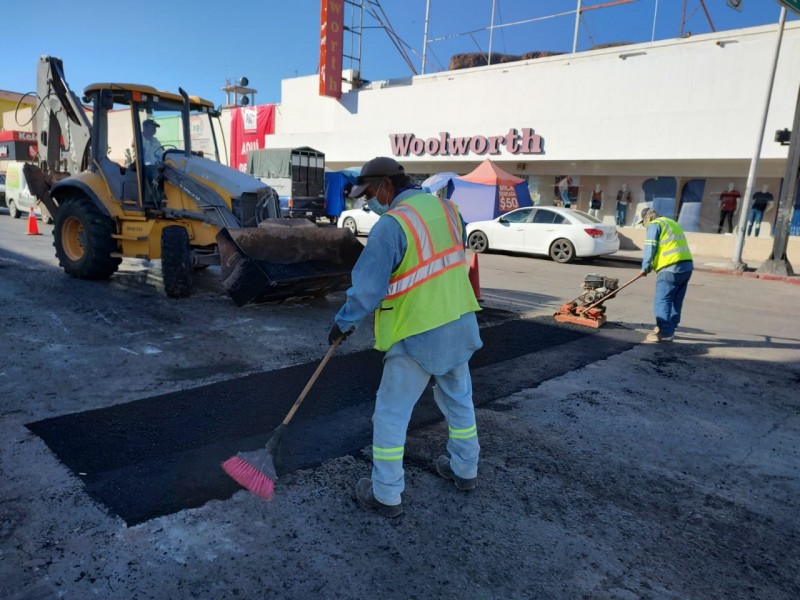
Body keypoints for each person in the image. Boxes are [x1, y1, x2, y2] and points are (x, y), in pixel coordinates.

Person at [329, 156, 483, 517]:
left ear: (386, 185)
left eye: (370, 194)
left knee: (391, 414)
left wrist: (343, 322)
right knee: (459, 401)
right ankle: (465, 470)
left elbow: (367, 289)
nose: (370, 202)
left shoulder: (391, 226)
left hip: (417, 331)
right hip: (458, 320)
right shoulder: (448, 211)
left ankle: (385, 493)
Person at [640, 207, 693, 343]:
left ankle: (665, 332)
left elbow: (650, 246)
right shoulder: (672, 223)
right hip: (686, 266)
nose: (644, 226)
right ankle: (671, 327)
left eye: (643, 223)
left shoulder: (654, 224)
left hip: (670, 267)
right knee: (676, 300)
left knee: (662, 300)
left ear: (647, 218)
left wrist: (645, 266)